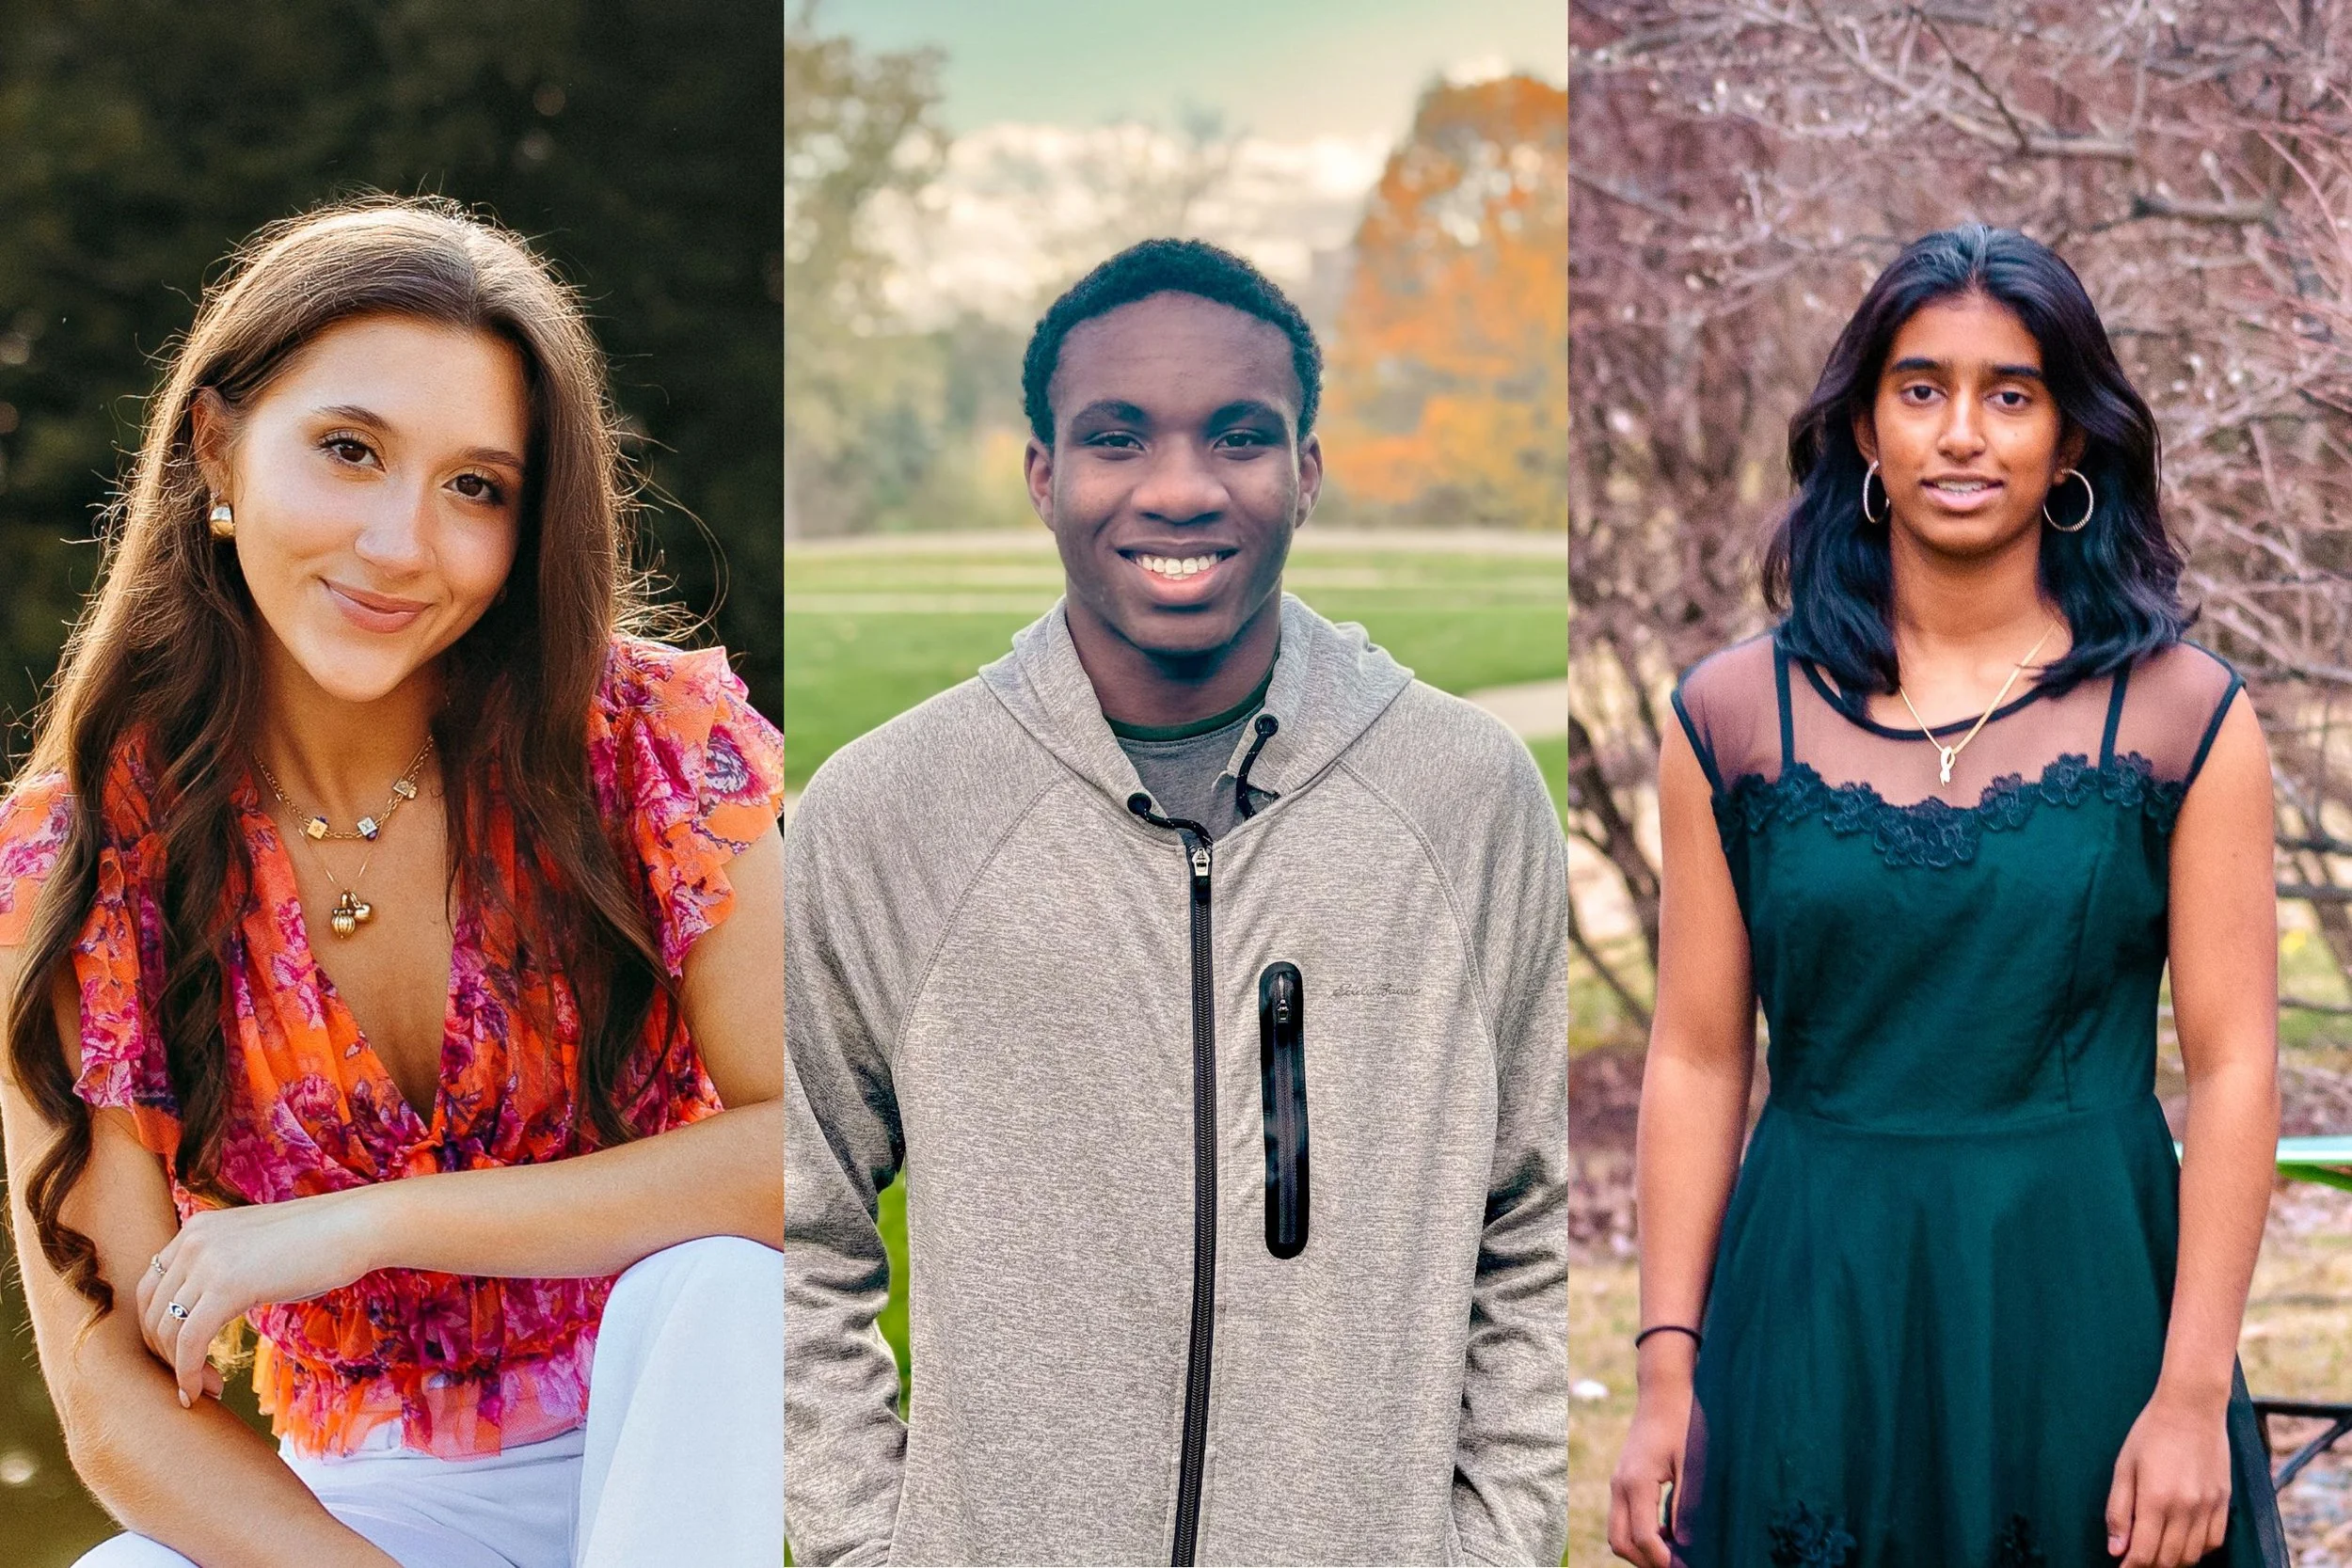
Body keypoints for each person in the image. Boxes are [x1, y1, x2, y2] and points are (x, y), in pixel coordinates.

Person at [0, 198, 787, 1568]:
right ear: (218, 447)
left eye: (476, 486)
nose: (401, 544)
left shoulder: (650, 744)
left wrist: (363, 1226)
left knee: (719, 1285)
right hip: (376, 1507)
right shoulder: (79, 858)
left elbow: (809, 1156)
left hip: (685, 1437)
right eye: (350, 451)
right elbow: (113, 1399)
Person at [785, 238, 1568, 1566]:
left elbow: (1527, 1217)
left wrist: (1491, 1545)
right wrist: (870, 1545)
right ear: (1044, 476)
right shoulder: (885, 815)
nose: (1182, 487)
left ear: (1307, 471)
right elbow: (798, 1226)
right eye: (1117, 438)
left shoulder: (1467, 798)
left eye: (1241, 436)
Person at [1607, 224, 2289, 1567]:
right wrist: (1664, 1371)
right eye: (1922, 390)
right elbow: (1692, 1059)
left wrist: (2193, 1388)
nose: (1962, 433)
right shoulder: (1734, 715)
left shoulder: (2183, 714)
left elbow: (2237, 1062)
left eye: (2011, 393)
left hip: (2084, 1296)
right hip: (1814, 1300)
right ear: (1866, 427)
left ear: (2072, 439)